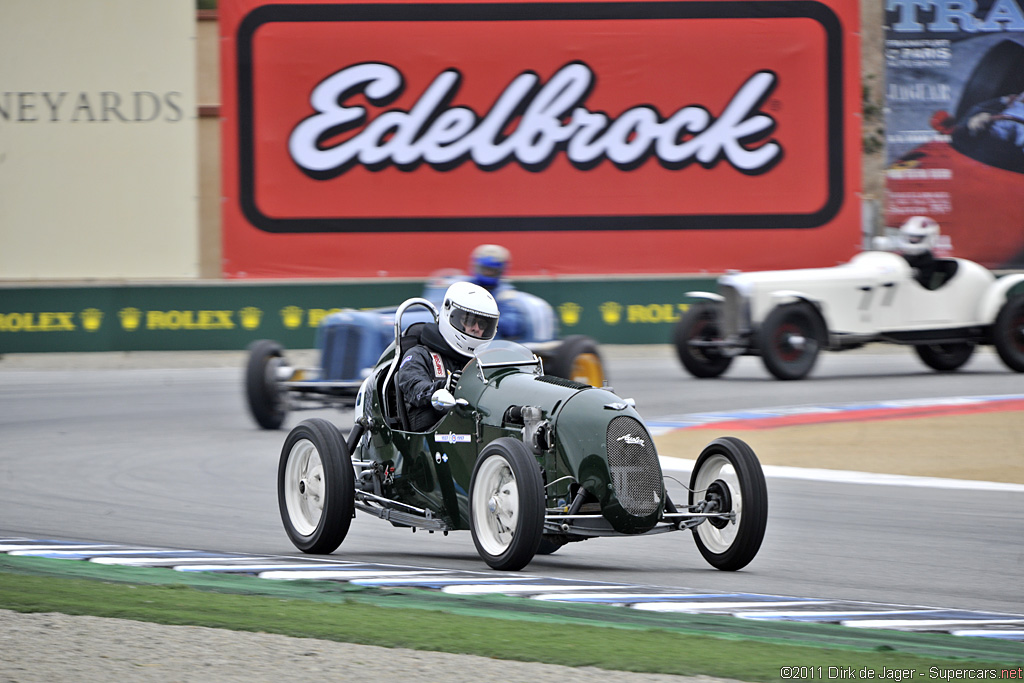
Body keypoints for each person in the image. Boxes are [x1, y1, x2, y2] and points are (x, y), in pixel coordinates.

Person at [396, 281, 499, 431]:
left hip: (478, 430)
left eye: (482, 325)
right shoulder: (419, 355)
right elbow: (414, 388)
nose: (476, 329)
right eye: (469, 321)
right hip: (433, 439)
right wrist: (444, 387)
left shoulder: (485, 362)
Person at [469, 244, 525, 339]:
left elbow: (512, 326)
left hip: (491, 343)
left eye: (492, 271)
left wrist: (483, 321)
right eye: (485, 270)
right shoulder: (465, 287)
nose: (488, 273)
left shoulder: (505, 294)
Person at [896, 215, 940, 288]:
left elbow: (924, 283)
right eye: (911, 236)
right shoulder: (903, 257)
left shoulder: (928, 260)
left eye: (917, 237)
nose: (913, 239)